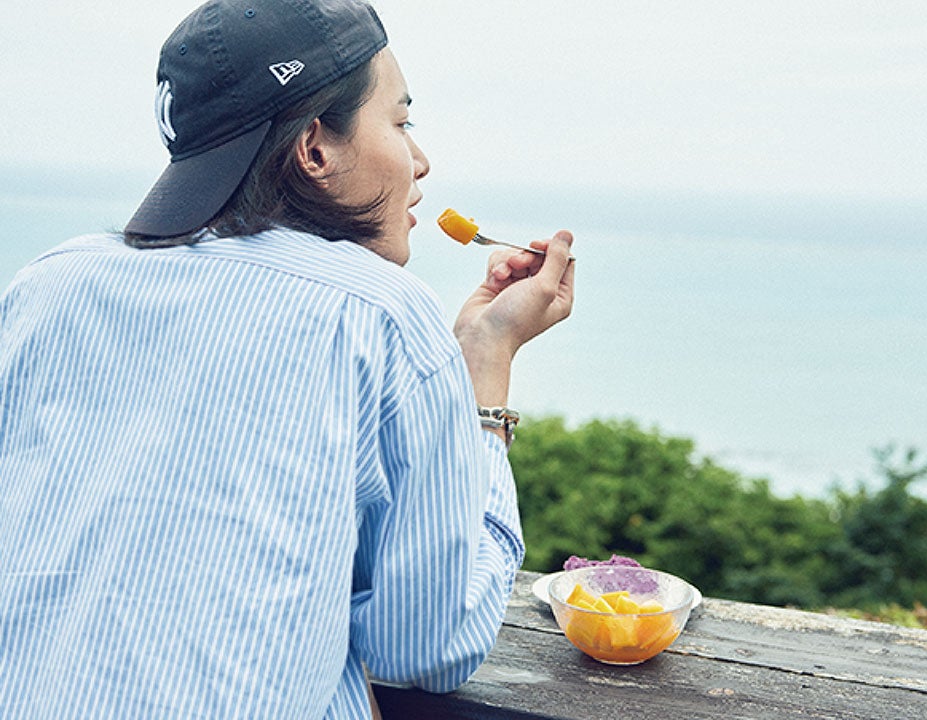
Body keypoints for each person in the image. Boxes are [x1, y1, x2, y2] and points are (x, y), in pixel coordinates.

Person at [0, 0, 574, 718]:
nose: (420, 161)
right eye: (401, 123)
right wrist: (484, 366)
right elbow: (427, 644)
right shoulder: (381, 311)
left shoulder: (48, 285)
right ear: (314, 149)